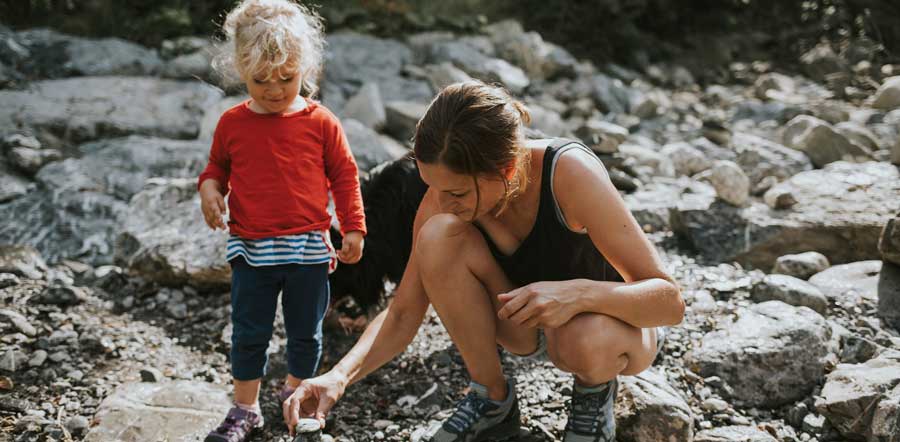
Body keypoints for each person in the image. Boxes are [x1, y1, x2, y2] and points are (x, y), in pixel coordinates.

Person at [283, 81, 684, 442]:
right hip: (523, 326)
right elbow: (404, 310)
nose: (442, 202)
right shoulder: (443, 196)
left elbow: (669, 302)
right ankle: (492, 399)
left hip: (610, 327)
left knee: (582, 338)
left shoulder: (568, 174)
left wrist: (577, 295)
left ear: (506, 169)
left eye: (456, 192)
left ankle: (594, 396)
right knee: (437, 236)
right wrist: (338, 377)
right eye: (434, 187)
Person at [197, 1, 366, 440]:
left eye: (287, 79)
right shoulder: (232, 124)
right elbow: (216, 168)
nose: (274, 90)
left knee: (305, 334)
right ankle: (245, 407)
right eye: (260, 80)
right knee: (248, 333)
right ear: (240, 70)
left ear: (306, 69)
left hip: (308, 250)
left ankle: (296, 393)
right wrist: (209, 189)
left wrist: (353, 225)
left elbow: (345, 175)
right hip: (251, 249)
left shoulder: (321, 122)